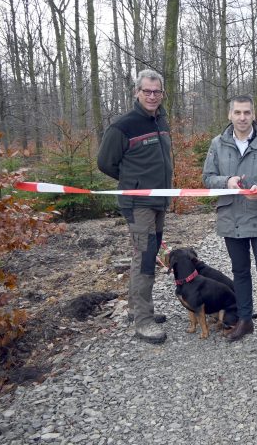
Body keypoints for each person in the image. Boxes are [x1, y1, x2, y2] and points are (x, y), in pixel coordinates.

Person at [98, 69, 173, 344]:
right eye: (147, 91)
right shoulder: (123, 126)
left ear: (162, 93)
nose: (152, 96)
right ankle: (143, 321)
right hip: (138, 203)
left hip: (160, 201)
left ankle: (135, 309)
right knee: (145, 259)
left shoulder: (161, 120)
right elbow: (105, 163)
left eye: (157, 92)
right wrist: (134, 182)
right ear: (137, 92)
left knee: (144, 255)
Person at [202, 95, 257, 348]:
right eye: (237, 112)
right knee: (240, 272)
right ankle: (245, 320)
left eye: (247, 112)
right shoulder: (217, 144)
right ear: (230, 115)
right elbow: (207, 178)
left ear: (253, 114)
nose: (242, 117)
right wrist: (226, 182)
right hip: (231, 217)